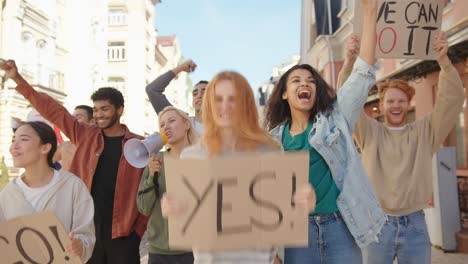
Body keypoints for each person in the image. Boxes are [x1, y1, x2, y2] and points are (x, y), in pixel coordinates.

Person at [264, 0, 385, 263]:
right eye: (296, 81)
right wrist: (272, 250)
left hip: (339, 228)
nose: (304, 84)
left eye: (310, 81)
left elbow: (363, 72)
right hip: (295, 236)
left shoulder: (336, 119)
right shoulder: (272, 141)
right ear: (284, 93)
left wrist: (370, 11)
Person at [0, 60, 148, 264]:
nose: (98, 115)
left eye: (104, 109)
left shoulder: (139, 145)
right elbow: (53, 110)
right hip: (85, 229)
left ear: (120, 110)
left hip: (123, 233)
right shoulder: (85, 134)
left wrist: (138, 230)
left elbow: (149, 190)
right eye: (95, 110)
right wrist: (17, 79)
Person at [161, 71, 316, 264]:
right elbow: (190, 215)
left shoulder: (271, 151)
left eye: (232, 98)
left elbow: (283, 209)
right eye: (218, 99)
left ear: (245, 103)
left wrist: (302, 201)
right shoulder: (192, 157)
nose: (225, 106)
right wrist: (174, 208)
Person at [337, 30, 464, 263]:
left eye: (401, 101)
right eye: (391, 101)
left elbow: (451, 101)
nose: (396, 106)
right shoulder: (369, 131)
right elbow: (347, 101)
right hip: (376, 224)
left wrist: (444, 61)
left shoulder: (425, 132)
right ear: (382, 105)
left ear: (409, 104)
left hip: (414, 223)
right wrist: (349, 62)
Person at [0, 121, 95, 263]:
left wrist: (80, 246)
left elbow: (85, 234)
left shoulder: (72, 186)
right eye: (13, 140)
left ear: (45, 148)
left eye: (24, 139)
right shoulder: (8, 193)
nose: (14, 147)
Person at [137, 106, 198, 264]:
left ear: (187, 124)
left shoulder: (201, 159)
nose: (166, 127)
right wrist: (151, 176)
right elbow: (143, 207)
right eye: (162, 125)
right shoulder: (156, 162)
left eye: (172, 121)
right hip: (159, 251)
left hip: (194, 249)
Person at [146, 59, 207, 134]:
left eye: (204, 92)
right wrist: (181, 68)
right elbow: (152, 90)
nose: (199, 96)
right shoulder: (182, 122)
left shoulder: (223, 126)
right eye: (195, 94)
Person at [54, 105, 95, 171]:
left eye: (78, 117)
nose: (73, 121)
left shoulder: (102, 146)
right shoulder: (66, 146)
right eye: (72, 118)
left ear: (92, 122)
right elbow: (43, 161)